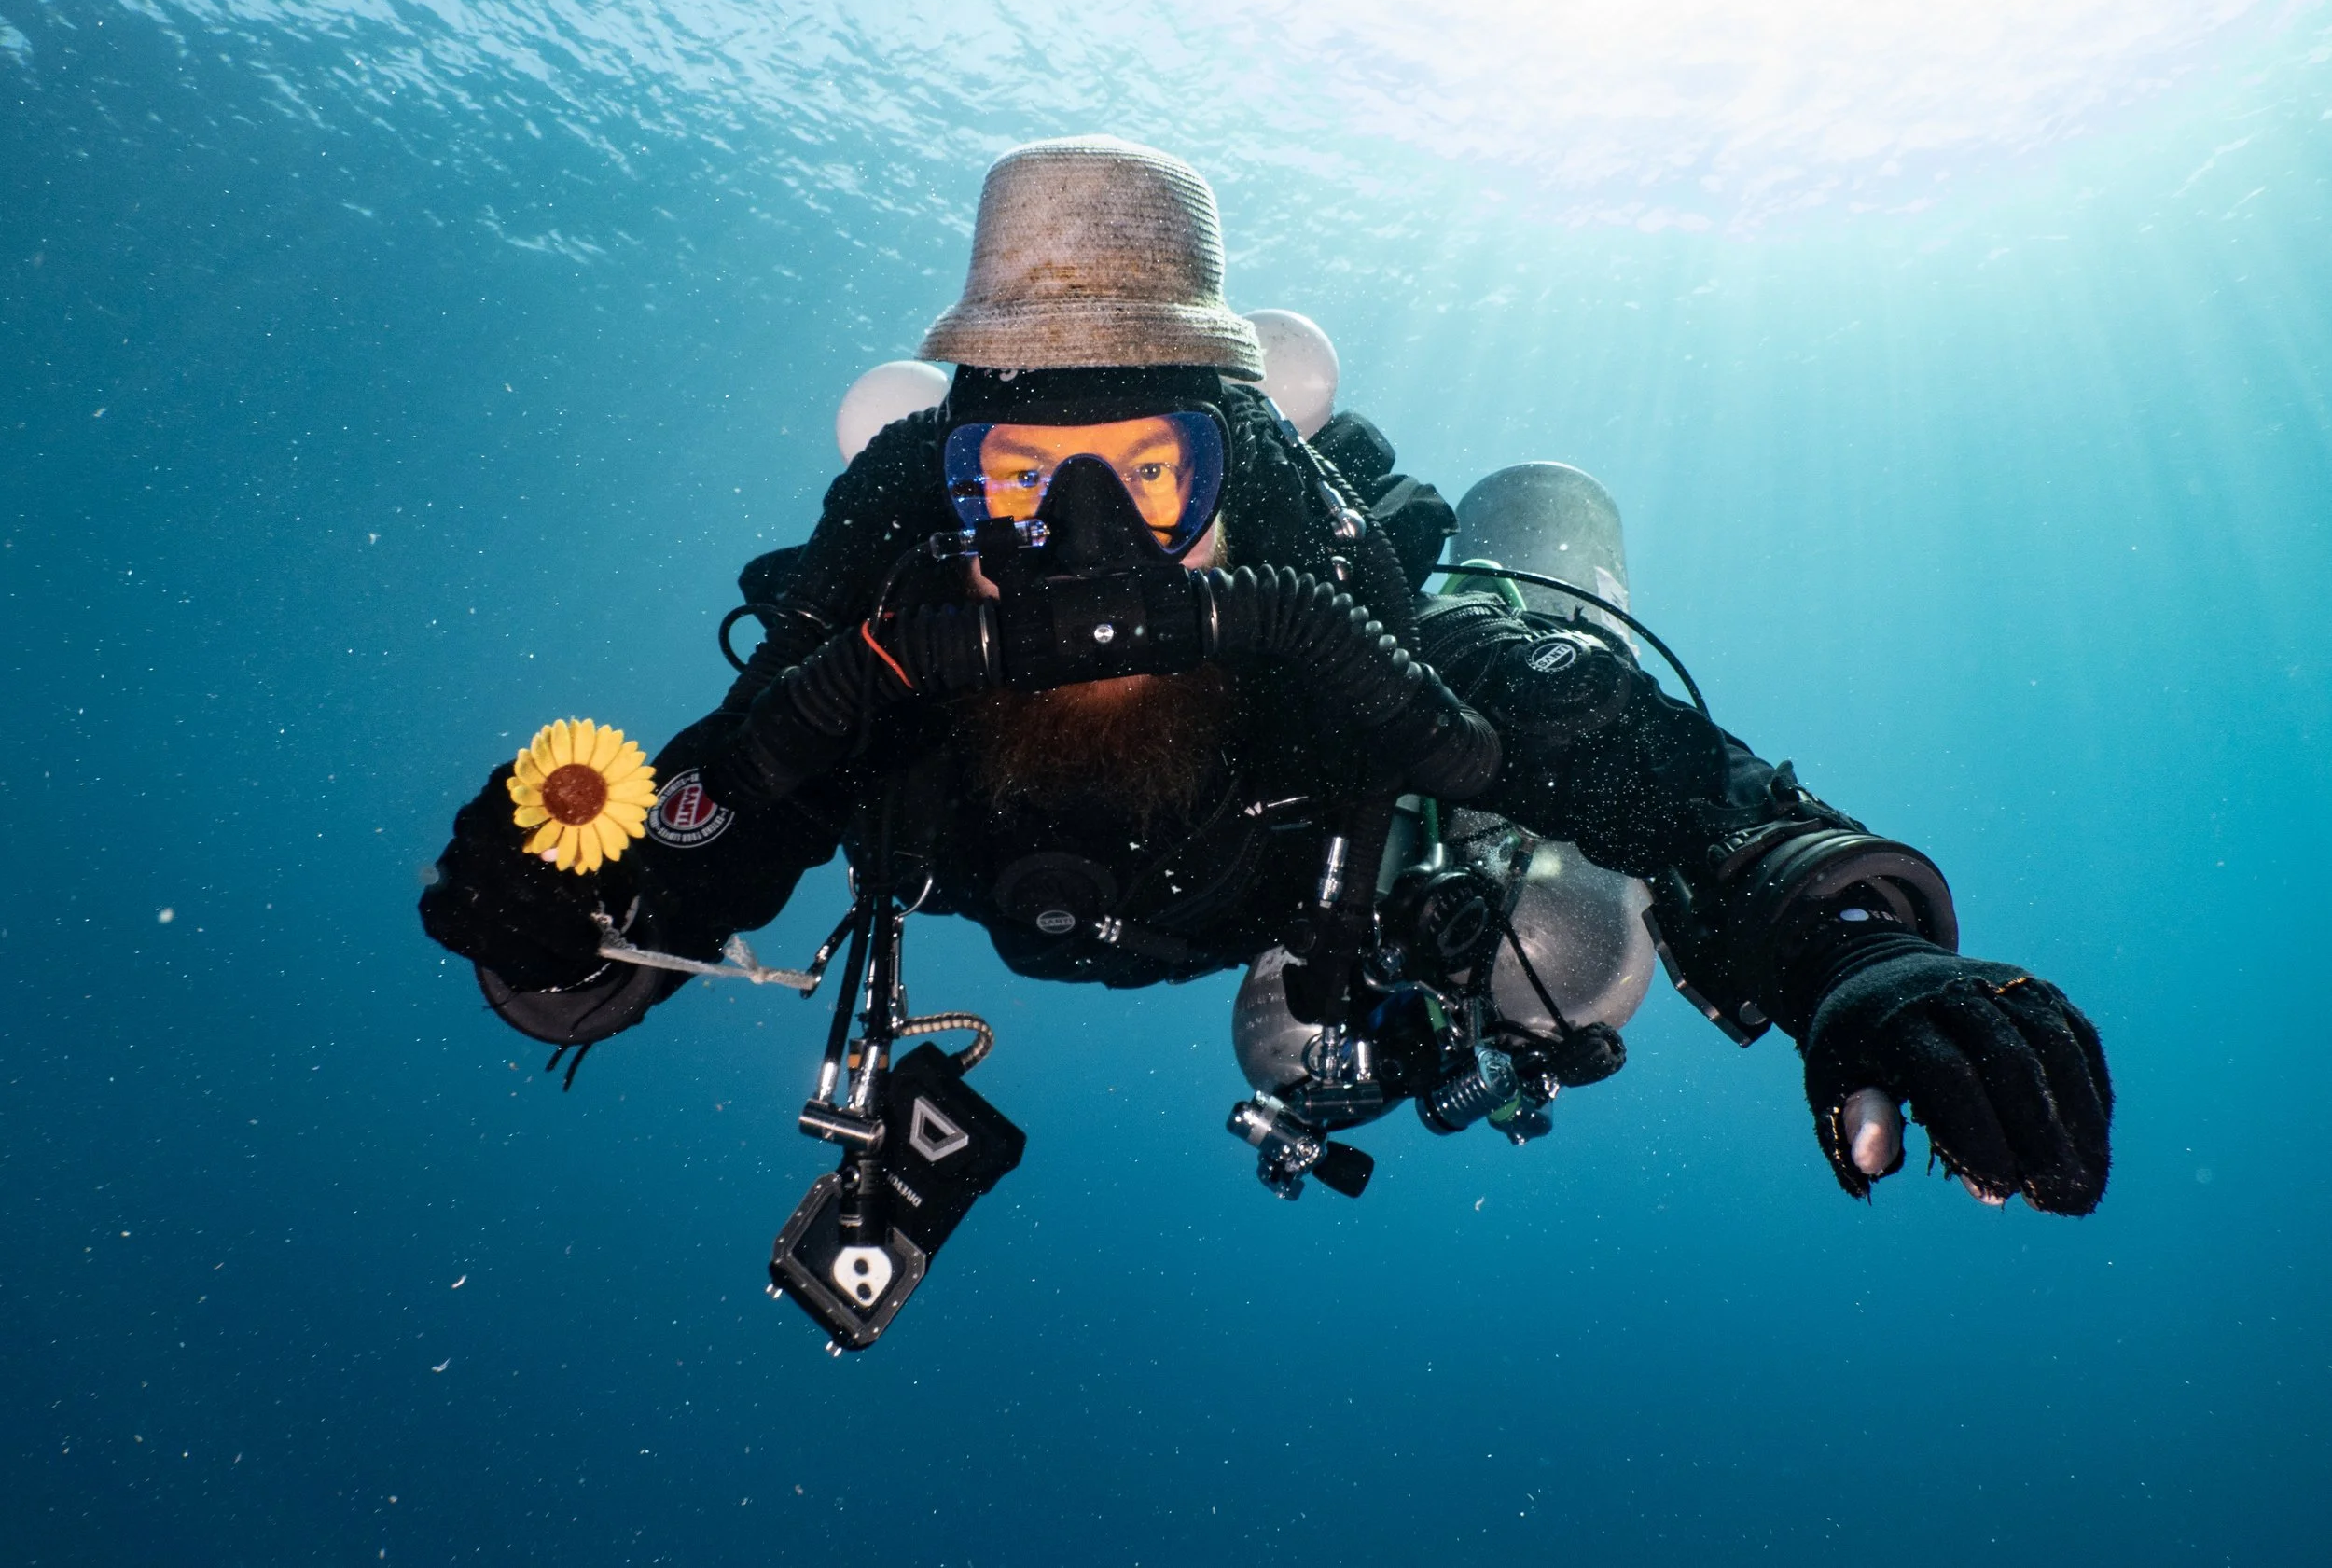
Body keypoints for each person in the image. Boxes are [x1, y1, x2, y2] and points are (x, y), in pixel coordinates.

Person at [421, 135, 2111, 1215]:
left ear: (1231, 470)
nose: (1083, 544)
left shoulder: (1339, 608)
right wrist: (552, 921)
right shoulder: (883, 630)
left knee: (1553, 946)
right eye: (1021, 482)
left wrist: (1850, 954)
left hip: (1309, 908)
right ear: (950, 490)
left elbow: (1620, 751)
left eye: (1149, 476)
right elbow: (679, 863)